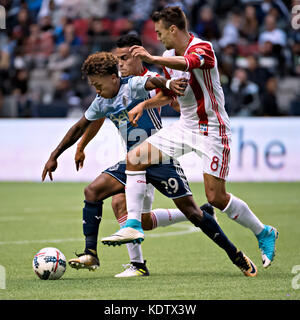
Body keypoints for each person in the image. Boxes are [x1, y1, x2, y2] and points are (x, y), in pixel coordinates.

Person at [102, 6, 278, 269]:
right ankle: (133, 225)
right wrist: (144, 105)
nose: (159, 37)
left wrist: (152, 58)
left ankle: (264, 232)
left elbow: (188, 63)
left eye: (160, 32)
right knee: (135, 159)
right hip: (186, 126)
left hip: (213, 130)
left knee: (216, 197)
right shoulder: (168, 55)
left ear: (173, 29)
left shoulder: (202, 47)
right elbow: (168, 93)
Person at [42, 51, 221, 276]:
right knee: (133, 214)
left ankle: (136, 264)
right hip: (133, 161)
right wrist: (59, 153)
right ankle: (95, 254)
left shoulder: (135, 84)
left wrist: (167, 83)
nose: (122, 63)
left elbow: (155, 83)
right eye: (120, 59)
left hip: (156, 156)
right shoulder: (103, 99)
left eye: (125, 58)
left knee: (123, 206)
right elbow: (83, 125)